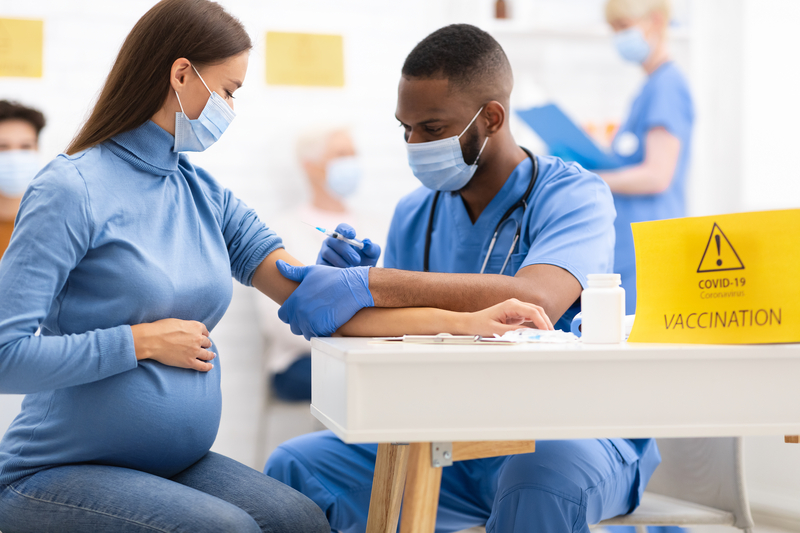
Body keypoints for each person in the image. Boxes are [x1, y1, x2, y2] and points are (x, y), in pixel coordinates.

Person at [0, 2, 539, 531]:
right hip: (57, 470)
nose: (231, 108)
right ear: (182, 75)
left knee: (299, 518)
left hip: (169, 464)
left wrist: (469, 318)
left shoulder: (204, 195)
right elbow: (6, 356)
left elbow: (319, 302)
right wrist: (138, 342)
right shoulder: (71, 188)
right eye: (229, 90)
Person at [266, 24, 662, 533]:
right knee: (296, 466)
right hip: (455, 437)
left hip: (568, 434)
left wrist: (374, 284)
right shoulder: (416, 212)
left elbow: (542, 294)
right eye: (404, 128)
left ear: (491, 118)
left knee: (536, 480)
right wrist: (350, 294)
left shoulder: (573, 195)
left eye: (431, 128)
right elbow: (400, 332)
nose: (413, 143)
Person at [258, 125, 379, 402]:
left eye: (353, 154)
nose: (351, 162)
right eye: (340, 154)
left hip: (368, 353)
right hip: (301, 358)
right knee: (365, 384)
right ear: (310, 166)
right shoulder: (281, 230)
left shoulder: (376, 226)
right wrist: (350, 333)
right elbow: (278, 320)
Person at [595, 0, 694, 314]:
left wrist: (592, 178)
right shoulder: (650, 88)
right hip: (633, 245)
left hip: (651, 247)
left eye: (623, 27)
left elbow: (656, 174)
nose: (617, 37)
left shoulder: (667, 87)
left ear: (654, 20)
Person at [0, 100, 45, 259]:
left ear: (37, 149)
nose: (14, 157)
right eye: (2, 147)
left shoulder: (50, 222)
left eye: (25, 147)